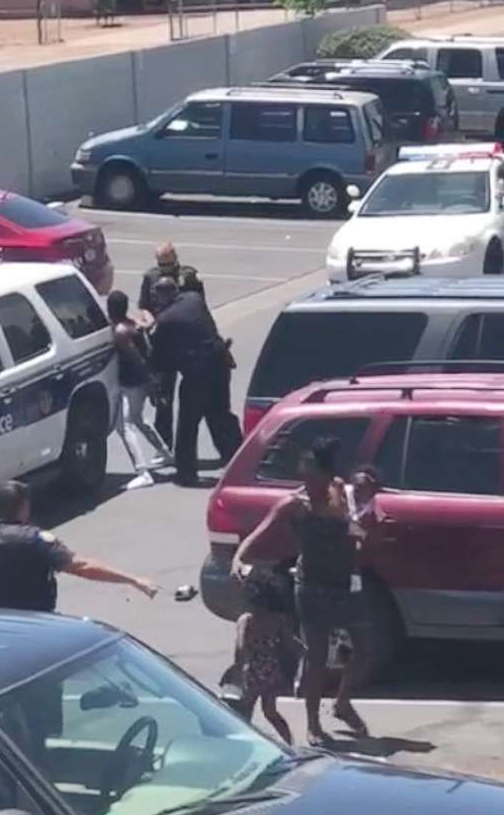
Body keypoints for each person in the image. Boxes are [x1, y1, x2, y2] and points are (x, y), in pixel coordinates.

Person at [232, 439, 372, 747]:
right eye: (303, 470)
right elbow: (258, 534)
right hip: (313, 588)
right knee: (317, 657)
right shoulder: (295, 504)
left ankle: (342, 702)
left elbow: (354, 531)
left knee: (365, 647)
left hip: (345, 583)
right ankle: (313, 724)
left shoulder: (339, 490)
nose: (304, 476)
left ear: (326, 473)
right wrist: (239, 559)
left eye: (310, 470)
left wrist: (363, 527)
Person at [0, 481, 157, 611]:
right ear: (24, 508)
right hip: (37, 623)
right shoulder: (36, 540)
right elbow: (83, 567)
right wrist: (133, 580)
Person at [149, 277, 242, 486]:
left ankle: (186, 472)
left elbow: (158, 358)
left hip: (197, 373)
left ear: (162, 296)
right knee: (221, 415)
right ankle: (239, 460)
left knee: (188, 425)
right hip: (219, 365)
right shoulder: (194, 299)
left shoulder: (165, 320)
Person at [139, 242, 207, 451]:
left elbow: (199, 305)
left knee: (195, 396)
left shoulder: (189, 276)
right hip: (162, 342)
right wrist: (150, 321)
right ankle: (164, 445)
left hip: (187, 343)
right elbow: (143, 306)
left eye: (168, 264)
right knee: (163, 398)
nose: (165, 268)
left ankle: (188, 447)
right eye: (161, 264)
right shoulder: (150, 277)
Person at [107, 290, 173, 491]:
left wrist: (150, 382)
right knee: (138, 419)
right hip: (143, 382)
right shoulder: (133, 323)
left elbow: (135, 358)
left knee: (125, 426)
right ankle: (165, 454)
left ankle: (142, 472)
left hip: (132, 383)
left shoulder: (120, 332)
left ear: (111, 309)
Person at [234, 572, 293, 743]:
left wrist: (238, 669)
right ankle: (288, 741)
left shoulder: (246, 621)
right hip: (271, 671)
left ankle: (243, 743)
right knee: (270, 711)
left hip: (252, 672)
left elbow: (240, 647)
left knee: (246, 712)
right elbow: (290, 643)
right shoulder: (277, 620)